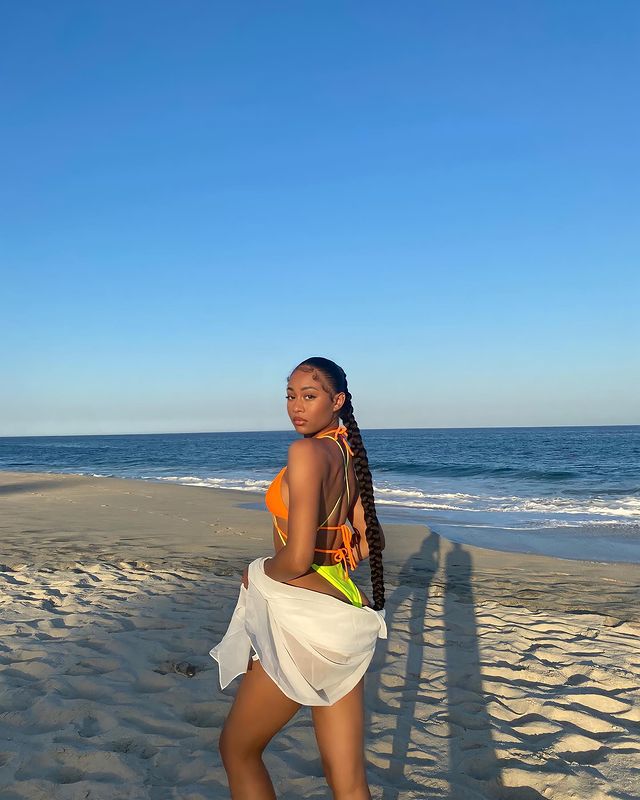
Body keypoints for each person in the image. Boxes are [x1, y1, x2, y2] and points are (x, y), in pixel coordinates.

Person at [209, 356, 387, 799]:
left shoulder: (306, 452)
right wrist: (341, 558)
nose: (296, 406)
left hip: (305, 618)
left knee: (237, 749)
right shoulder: (348, 453)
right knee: (347, 778)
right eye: (290, 395)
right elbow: (373, 539)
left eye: (309, 396)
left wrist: (256, 572)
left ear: (337, 400)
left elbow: (297, 557)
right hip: (345, 609)